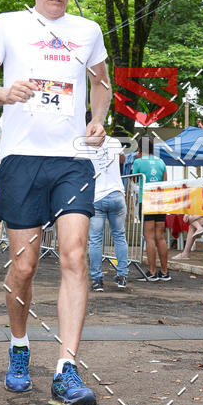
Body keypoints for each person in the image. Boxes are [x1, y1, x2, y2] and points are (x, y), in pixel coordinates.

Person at [0, 0, 111, 405]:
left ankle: (66, 369)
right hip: (21, 159)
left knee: (75, 257)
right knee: (25, 266)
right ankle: (19, 347)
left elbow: (102, 82)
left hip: (72, 160)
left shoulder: (87, 31)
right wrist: (6, 93)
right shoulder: (8, 24)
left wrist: (98, 119)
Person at [86, 121, 129, 290]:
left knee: (96, 240)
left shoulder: (84, 144)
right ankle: (122, 276)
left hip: (96, 197)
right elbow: (123, 159)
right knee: (120, 236)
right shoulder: (114, 142)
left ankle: (97, 280)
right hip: (117, 194)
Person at [132, 137, 169, 282]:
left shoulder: (138, 162)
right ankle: (165, 272)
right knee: (160, 236)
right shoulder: (161, 162)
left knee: (149, 237)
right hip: (160, 201)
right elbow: (165, 181)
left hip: (146, 200)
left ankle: (152, 272)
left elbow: (134, 179)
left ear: (140, 148)